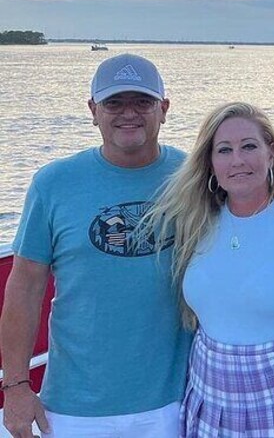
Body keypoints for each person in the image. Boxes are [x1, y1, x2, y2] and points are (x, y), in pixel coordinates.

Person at [0, 53, 192, 437]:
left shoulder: (194, 178)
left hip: (175, 402)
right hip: (74, 408)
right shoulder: (53, 183)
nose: (129, 114)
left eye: (143, 102)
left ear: (164, 109)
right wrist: (17, 386)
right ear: (92, 110)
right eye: (114, 103)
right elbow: (24, 288)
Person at [141, 101, 274, 438]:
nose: (237, 160)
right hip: (210, 389)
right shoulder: (193, 221)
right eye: (224, 150)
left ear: (271, 153)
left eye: (249, 146)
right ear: (210, 163)